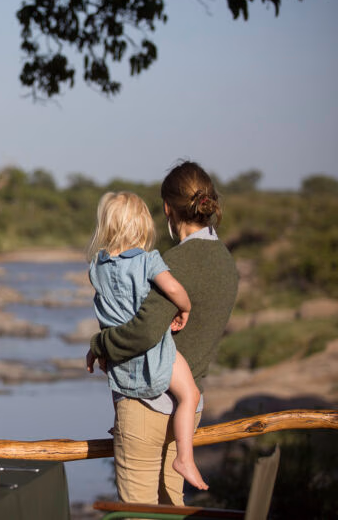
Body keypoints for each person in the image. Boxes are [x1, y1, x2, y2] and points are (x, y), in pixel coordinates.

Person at [88, 161, 238, 505]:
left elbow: (142, 332)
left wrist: (99, 344)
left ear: (168, 208)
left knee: (138, 511)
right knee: (171, 506)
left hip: (146, 404)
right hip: (188, 405)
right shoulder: (226, 263)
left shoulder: (174, 263)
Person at [85, 191, 208, 491]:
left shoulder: (96, 269)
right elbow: (174, 288)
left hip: (120, 358)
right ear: (143, 226)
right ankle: (185, 458)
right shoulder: (148, 261)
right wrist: (185, 307)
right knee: (190, 395)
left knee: (119, 383)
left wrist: (96, 348)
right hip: (156, 353)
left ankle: (120, 425)